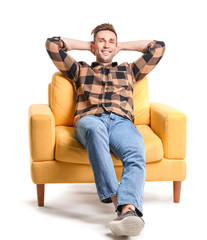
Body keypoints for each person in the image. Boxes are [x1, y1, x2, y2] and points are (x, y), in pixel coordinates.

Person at [45, 23, 165, 236]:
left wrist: (122, 46)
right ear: (95, 45)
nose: (106, 45)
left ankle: (128, 213)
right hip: (90, 120)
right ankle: (121, 204)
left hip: (121, 122)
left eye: (111, 41)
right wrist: (88, 46)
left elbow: (158, 47)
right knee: (95, 132)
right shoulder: (80, 69)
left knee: (136, 150)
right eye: (101, 41)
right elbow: (53, 45)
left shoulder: (130, 70)